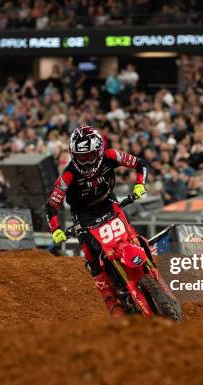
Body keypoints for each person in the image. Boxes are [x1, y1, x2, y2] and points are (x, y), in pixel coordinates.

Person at [45, 125, 147, 316]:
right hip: (83, 215)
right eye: (80, 156)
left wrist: (140, 185)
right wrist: (56, 229)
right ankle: (109, 298)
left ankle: (145, 263)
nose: (85, 160)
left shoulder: (111, 156)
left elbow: (140, 163)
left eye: (88, 155)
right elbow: (52, 203)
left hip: (107, 201)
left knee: (128, 234)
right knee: (91, 255)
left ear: (99, 150)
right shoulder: (69, 173)